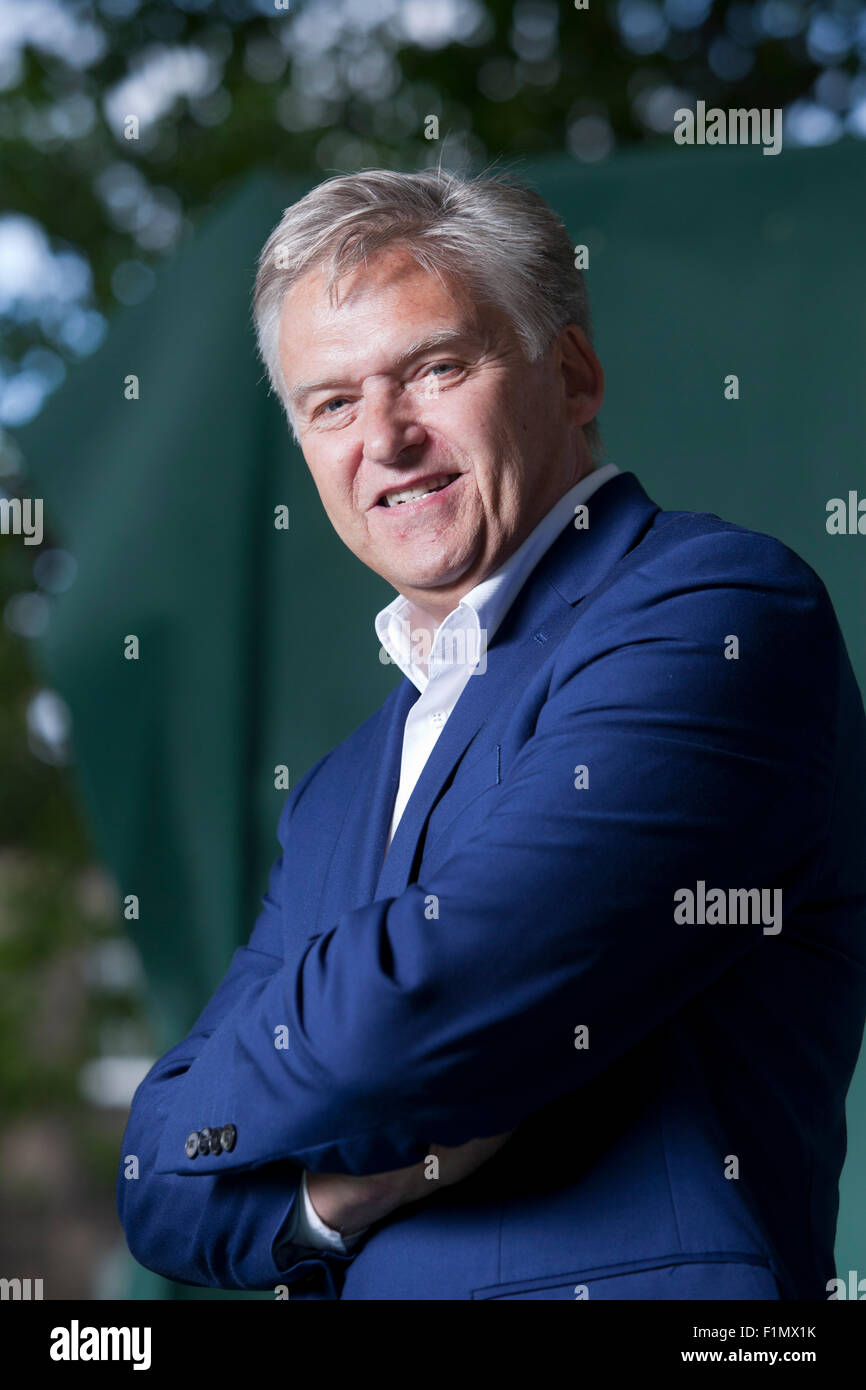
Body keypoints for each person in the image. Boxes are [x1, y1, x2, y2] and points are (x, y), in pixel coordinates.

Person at [117, 168, 866, 1300]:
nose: (385, 437)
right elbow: (152, 1184)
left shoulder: (712, 614)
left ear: (570, 374)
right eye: (331, 403)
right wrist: (335, 1197)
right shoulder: (335, 790)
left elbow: (419, 1015)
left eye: (434, 368)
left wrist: (216, 1092)